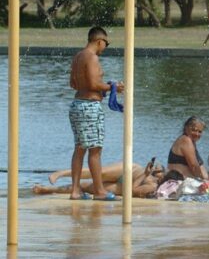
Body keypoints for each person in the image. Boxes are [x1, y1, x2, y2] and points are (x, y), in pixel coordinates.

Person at [68, 26, 124, 201]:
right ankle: (99, 191)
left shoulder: (78, 57)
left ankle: (75, 190)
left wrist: (101, 87)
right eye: (106, 43)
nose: (105, 47)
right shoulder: (92, 57)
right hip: (90, 107)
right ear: (99, 41)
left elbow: (73, 84)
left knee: (80, 148)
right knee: (95, 150)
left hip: (77, 104)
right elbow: (93, 83)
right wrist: (113, 87)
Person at [34, 160, 164, 199]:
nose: (156, 171)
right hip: (130, 170)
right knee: (98, 173)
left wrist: (146, 175)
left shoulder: (152, 186)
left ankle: (48, 189)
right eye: (156, 169)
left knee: (86, 187)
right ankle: (62, 173)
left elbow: (131, 191)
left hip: (121, 187)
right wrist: (146, 172)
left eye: (158, 171)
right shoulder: (147, 174)